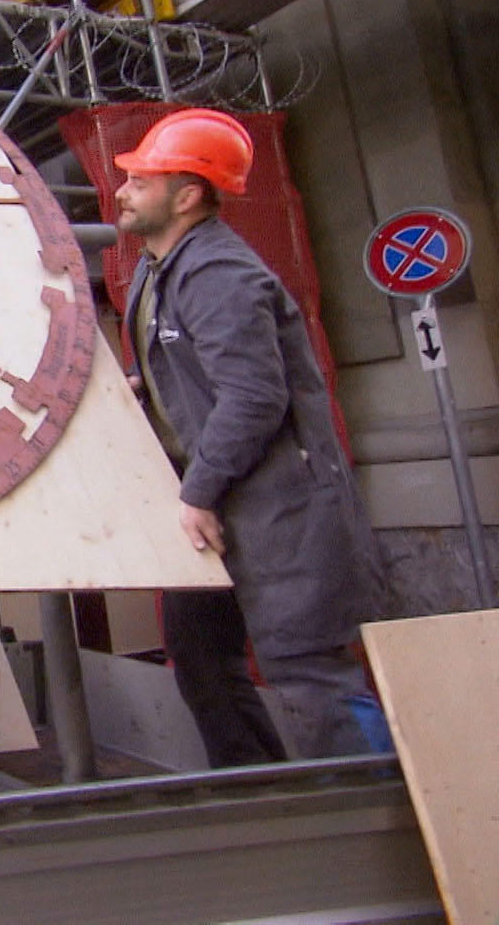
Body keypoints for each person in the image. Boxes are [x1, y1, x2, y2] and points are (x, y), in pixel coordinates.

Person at [117, 107, 378, 766]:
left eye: (142, 181)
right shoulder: (157, 269)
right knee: (201, 658)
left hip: (275, 506)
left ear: (189, 194)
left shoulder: (219, 276)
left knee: (307, 669)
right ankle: (260, 791)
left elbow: (255, 398)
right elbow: (191, 371)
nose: (123, 191)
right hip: (210, 502)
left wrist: (198, 492)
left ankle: (382, 812)